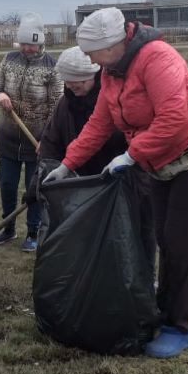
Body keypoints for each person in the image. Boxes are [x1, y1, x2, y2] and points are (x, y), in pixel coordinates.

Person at [45, 8, 188, 358]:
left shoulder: (157, 58)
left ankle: (180, 327)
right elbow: (99, 124)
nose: (87, 57)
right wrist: (68, 164)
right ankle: (164, 309)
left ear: (114, 44)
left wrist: (131, 155)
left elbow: (174, 117)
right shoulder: (112, 72)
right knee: (163, 236)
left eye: (91, 51)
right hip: (160, 161)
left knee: (181, 243)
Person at [38, 46, 156, 274]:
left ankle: (145, 277)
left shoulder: (117, 99)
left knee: (136, 230)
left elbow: (136, 139)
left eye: (79, 82)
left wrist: (127, 163)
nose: (73, 87)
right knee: (92, 236)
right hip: (83, 184)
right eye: (69, 83)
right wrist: (41, 179)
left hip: (124, 181)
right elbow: (51, 144)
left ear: (93, 75)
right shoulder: (65, 105)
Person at [0, 12, 63, 251]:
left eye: (31, 44)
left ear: (40, 42)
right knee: (7, 185)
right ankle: (8, 228)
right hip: (8, 138)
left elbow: (57, 107)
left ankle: (33, 231)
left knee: (34, 190)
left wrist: (47, 140)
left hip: (37, 142)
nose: (26, 49)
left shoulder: (53, 68)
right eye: (23, 44)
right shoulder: (9, 59)